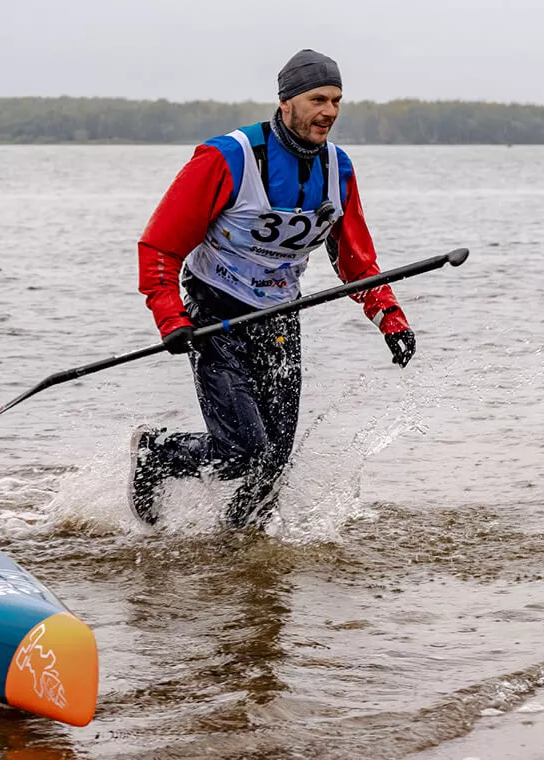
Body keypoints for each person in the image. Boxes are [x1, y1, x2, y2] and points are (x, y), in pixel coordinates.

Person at [131, 49, 416, 530]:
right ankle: (156, 453)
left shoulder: (337, 169)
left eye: (337, 100)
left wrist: (389, 317)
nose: (329, 111)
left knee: (273, 467)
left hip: (280, 318)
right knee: (243, 454)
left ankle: (242, 561)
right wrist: (171, 319)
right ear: (285, 103)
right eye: (318, 99)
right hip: (214, 314)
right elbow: (159, 247)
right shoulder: (226, 158)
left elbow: (354, 259)